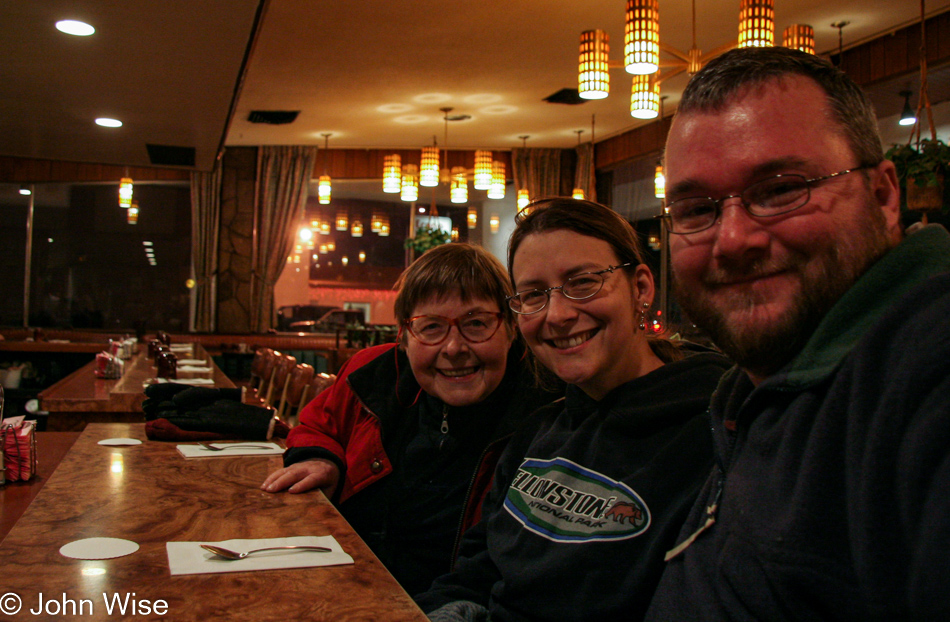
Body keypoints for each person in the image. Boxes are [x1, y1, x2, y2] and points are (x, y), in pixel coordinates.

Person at [645, 47, 950, 620]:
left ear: (885, 196)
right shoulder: (759, 383)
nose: (733, 239)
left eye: (781, 189)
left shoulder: (925, 359)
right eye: (696, 209)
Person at [416, 199, 731, 621]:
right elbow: (477, 568)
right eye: (532, 295)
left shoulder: (718, 436)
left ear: (640, 288)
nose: (558, 314)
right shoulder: (539, 431)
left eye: (582, 282)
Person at [261, 243, 561, 596]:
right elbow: (317, 424)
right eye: (431, 327)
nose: (453, 348)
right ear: (403, 337)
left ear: (511, 329)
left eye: (476, 324)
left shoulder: (548, 411)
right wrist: (320, 459)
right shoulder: (372, 372)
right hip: (339, 583)